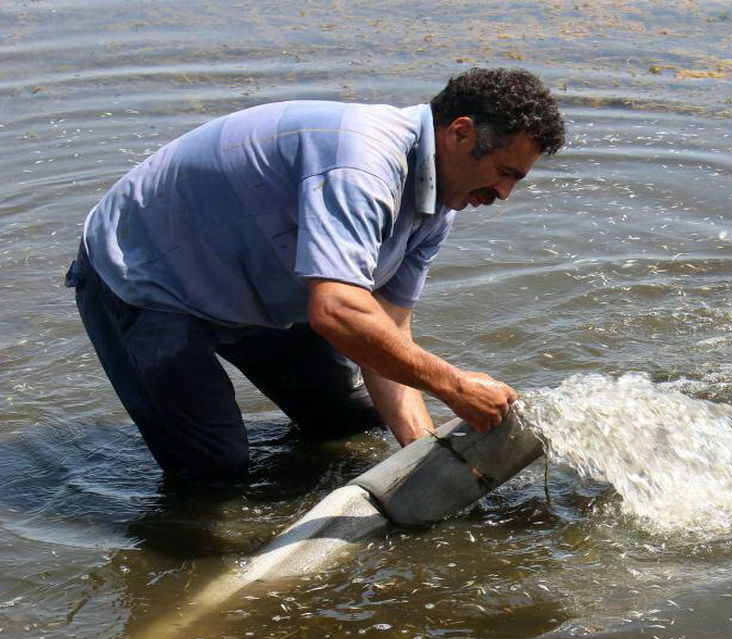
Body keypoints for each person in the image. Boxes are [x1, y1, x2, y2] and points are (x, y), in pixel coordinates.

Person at [66, 68, 566, 484]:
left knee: (346, 423)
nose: (504, 194)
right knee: (215, 467)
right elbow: (335, 311)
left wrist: (427, 456)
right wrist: (453, 385)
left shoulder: (441, 199)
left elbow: (386, 328)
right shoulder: (364, 167)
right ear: (460, 133)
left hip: (253, 283)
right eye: (506, 172)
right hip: (148, 280)